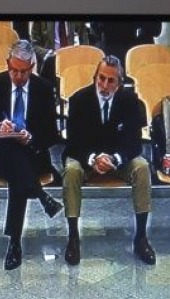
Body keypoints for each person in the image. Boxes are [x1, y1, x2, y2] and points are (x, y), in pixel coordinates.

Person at [0, 40, 63, 270]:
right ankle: (40, 199)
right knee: (12, 152)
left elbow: (51, 135)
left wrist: (30, 137)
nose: (18, 76)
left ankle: (15, 243)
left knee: (18, 167)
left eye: (24, 72)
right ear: (8, 64)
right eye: (14, 70)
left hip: (31, 155)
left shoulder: (43, 89)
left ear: (32, 67)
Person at [62, 55, 156, 266]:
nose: (104, 85)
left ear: (119, 83)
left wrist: (114, 158)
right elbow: (73, 143)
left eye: (110, 80)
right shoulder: (79, 100)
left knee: (142, 167)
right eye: (101, 78)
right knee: (71, 170)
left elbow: (134, 143)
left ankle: (141, 238)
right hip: (87, 158)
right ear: (95, 77)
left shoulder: (131, 101)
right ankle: (73, 239)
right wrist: (93, 159)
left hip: (118, 160)